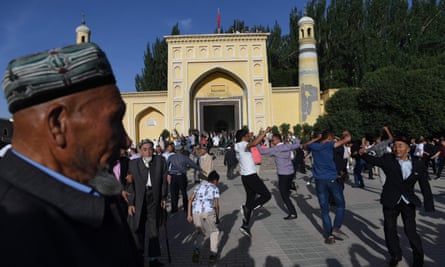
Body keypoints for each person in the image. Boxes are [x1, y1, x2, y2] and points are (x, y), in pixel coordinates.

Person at [0, 43, 142, 266]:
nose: (127, 140)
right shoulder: (13, 230)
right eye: (114, 120)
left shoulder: (99, 191)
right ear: (58, 125)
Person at [360, 136, 435, 266]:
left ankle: (418, 257)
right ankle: (395, 255)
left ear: (407, 148)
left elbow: (424, 185)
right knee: (390, 229)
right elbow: (373, 160)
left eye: (400, 145)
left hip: (408, 201)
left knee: (410, 231)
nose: (396, 148)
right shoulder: (388, 159)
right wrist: (362, 154)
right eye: (395, 146)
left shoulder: (418, 163)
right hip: (390, 200)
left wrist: (429, 205)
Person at [303, 130, 351, 244]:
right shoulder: (329, 144)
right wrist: (345, 134)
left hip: (319, 181)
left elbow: (304, 145)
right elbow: (348, 139)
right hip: (331, 179)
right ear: (329, 137)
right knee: (341, 204)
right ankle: (336, 227)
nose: (334, 139)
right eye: (333, 137)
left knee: (324, 210)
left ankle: (329, 236)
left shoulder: (314, 146)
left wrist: (316, 138)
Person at [126, 139, 168, 267]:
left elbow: (164, 181)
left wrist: (163, 198)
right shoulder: (133, 164)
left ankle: (153, 259)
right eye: (145, 149)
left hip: (154, 199)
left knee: (153, 228)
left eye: (150, 149)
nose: (148, 152)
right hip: (139, 199)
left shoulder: (160, 161)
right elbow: (129, 185)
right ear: (140, 151)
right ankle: (139, 256)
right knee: (137, 227)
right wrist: (130, 203)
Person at [235, 128, 272, 237]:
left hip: (245, 177)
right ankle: (247, 208)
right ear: (244, 137)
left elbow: (251, 141)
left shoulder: (237, 145)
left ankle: (245, 226)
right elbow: (255, 143)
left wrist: (251, 135)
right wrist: (265, 132)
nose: (249, 137)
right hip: (251, 176)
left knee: (250, 199)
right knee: (266, 195)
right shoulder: (242, 144)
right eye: (247, 136)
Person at [257, 132, 301, 219]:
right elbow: (298, 144)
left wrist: (257, 142)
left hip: (283, 174)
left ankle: (292, 212)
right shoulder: (287, 146)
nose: (272, 142)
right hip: (291, 172)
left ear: (277, 140)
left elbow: (262, 151)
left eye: (273, 140)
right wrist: (293, 136)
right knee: (286, 189)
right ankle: (291, 186)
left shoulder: (275, 149)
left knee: (284, 194)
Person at [187, 170, 221, 264]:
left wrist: (189, 215)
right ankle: (213, 255)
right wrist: (217, 217)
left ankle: (197, 251)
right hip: (208, 212)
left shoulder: (198, 186)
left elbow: (190, 199)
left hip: (196, 213)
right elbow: (216, 206)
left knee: (201, 233)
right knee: (214, 232)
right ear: (215, 181)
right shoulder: (215, 188)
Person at [167, 145, 202, 214]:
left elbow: (166, 165)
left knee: (174, 193)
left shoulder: (171, 157)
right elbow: (193, 164)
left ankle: (174, 208)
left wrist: (168, 173)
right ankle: (186, 207)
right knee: (183, 192)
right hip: (181, 176)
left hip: (173, 176)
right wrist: (200, 169)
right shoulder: (184, 157)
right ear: (182, 150)